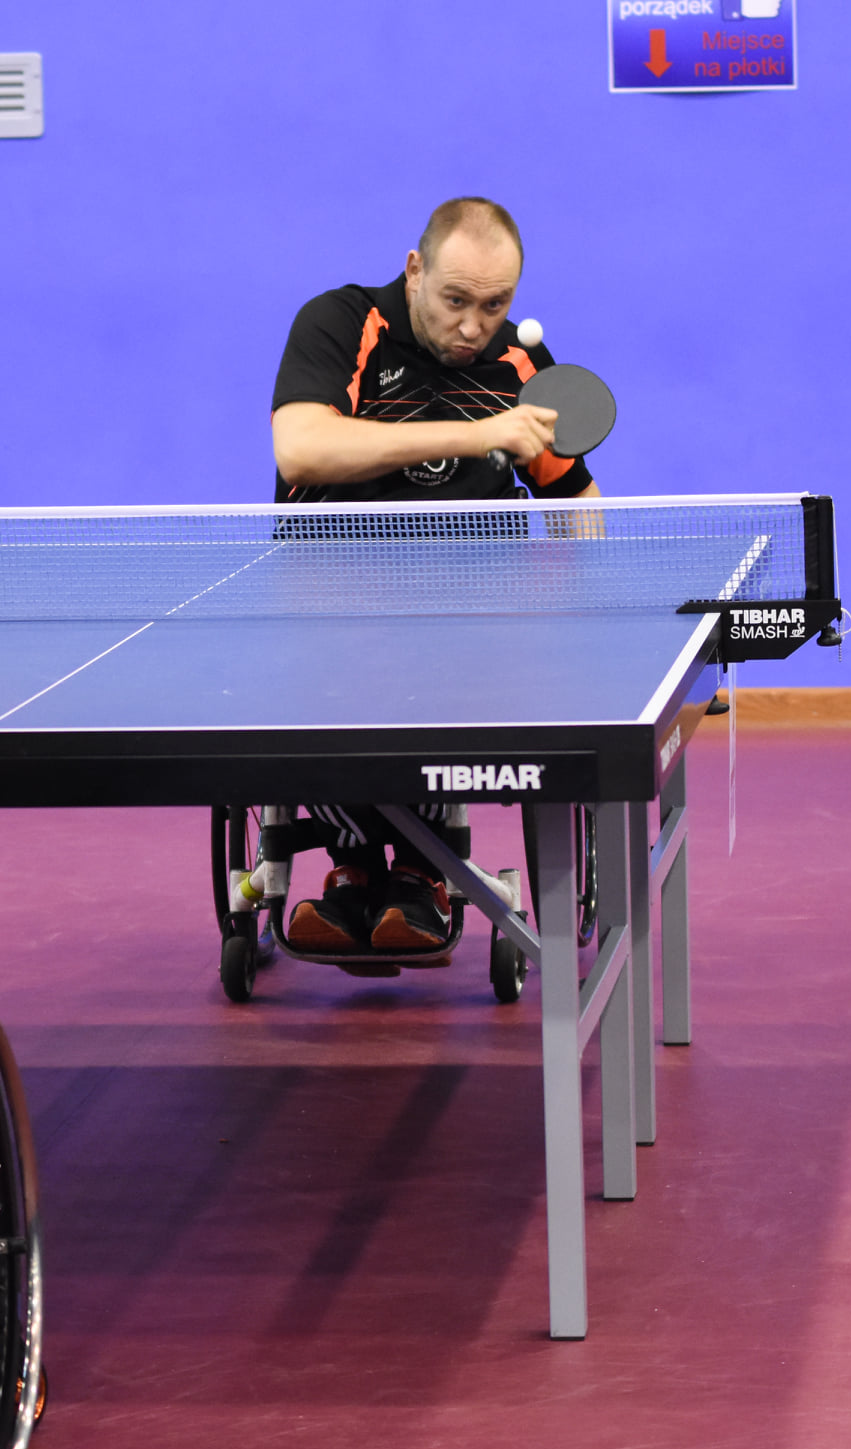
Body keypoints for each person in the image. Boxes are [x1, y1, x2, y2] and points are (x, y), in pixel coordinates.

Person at [270, 197, 601, 957]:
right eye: (456, 300)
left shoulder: (520, 365)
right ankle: (354, 865)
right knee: (324, 680)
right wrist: (478, 435)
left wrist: (601, 613)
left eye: (495, 305)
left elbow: (574, 499)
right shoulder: (341, 322)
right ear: (415, 270)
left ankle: (422, 872)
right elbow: (301, 447)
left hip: (470, 615)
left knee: (458, 671)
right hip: (332, 597)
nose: (472, 326)